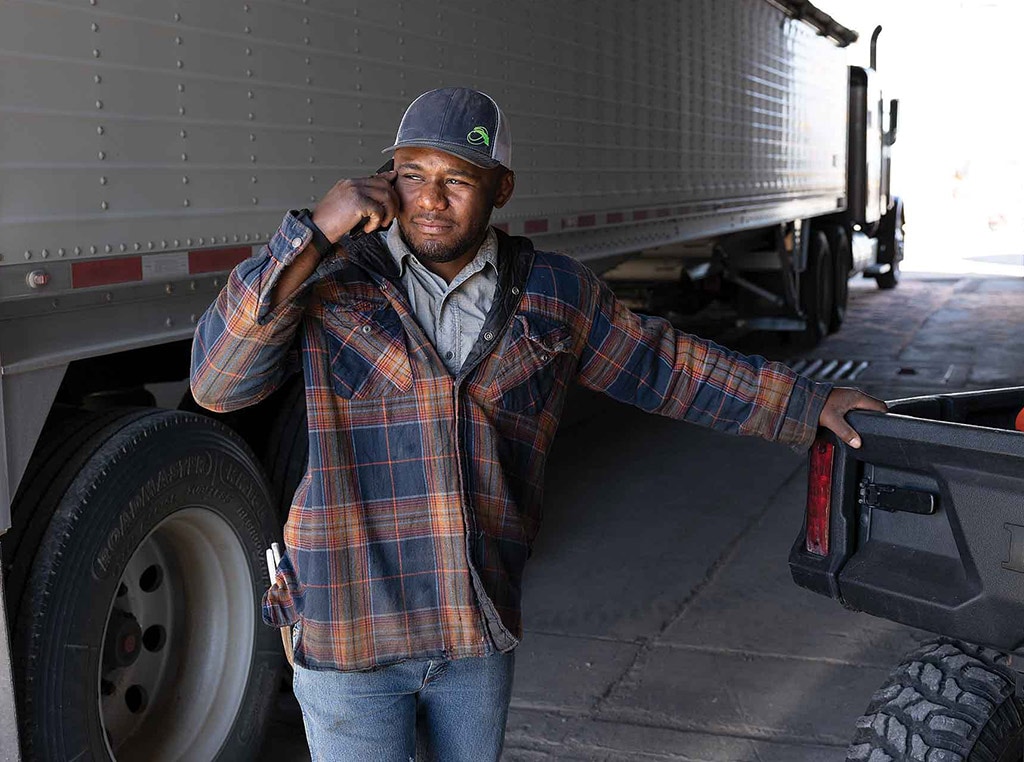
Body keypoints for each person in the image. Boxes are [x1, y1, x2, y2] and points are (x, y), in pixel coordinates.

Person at [190, 87, 885, 760]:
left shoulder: (553, 293)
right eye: (412, 176)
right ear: (385, 180)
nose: (430, 199)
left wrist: (805, 403)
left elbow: (666, 365)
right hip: (351, 633)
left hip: (474, 632)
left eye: (456, 180)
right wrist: (312, 231)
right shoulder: (334, 278)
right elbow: (218, 383)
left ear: (502, 189)